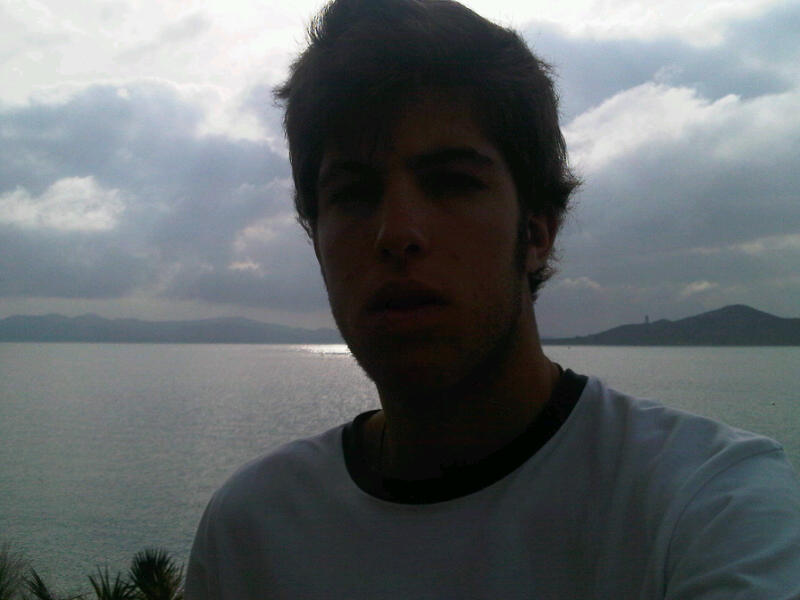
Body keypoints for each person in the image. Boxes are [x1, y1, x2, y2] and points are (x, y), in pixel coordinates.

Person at [186, 0, 800, 597]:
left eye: (451, 182)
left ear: (536, 231)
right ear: (317, 240)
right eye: (352, 193)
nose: (396, 232)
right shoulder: (251, 530)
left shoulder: (707, 504)